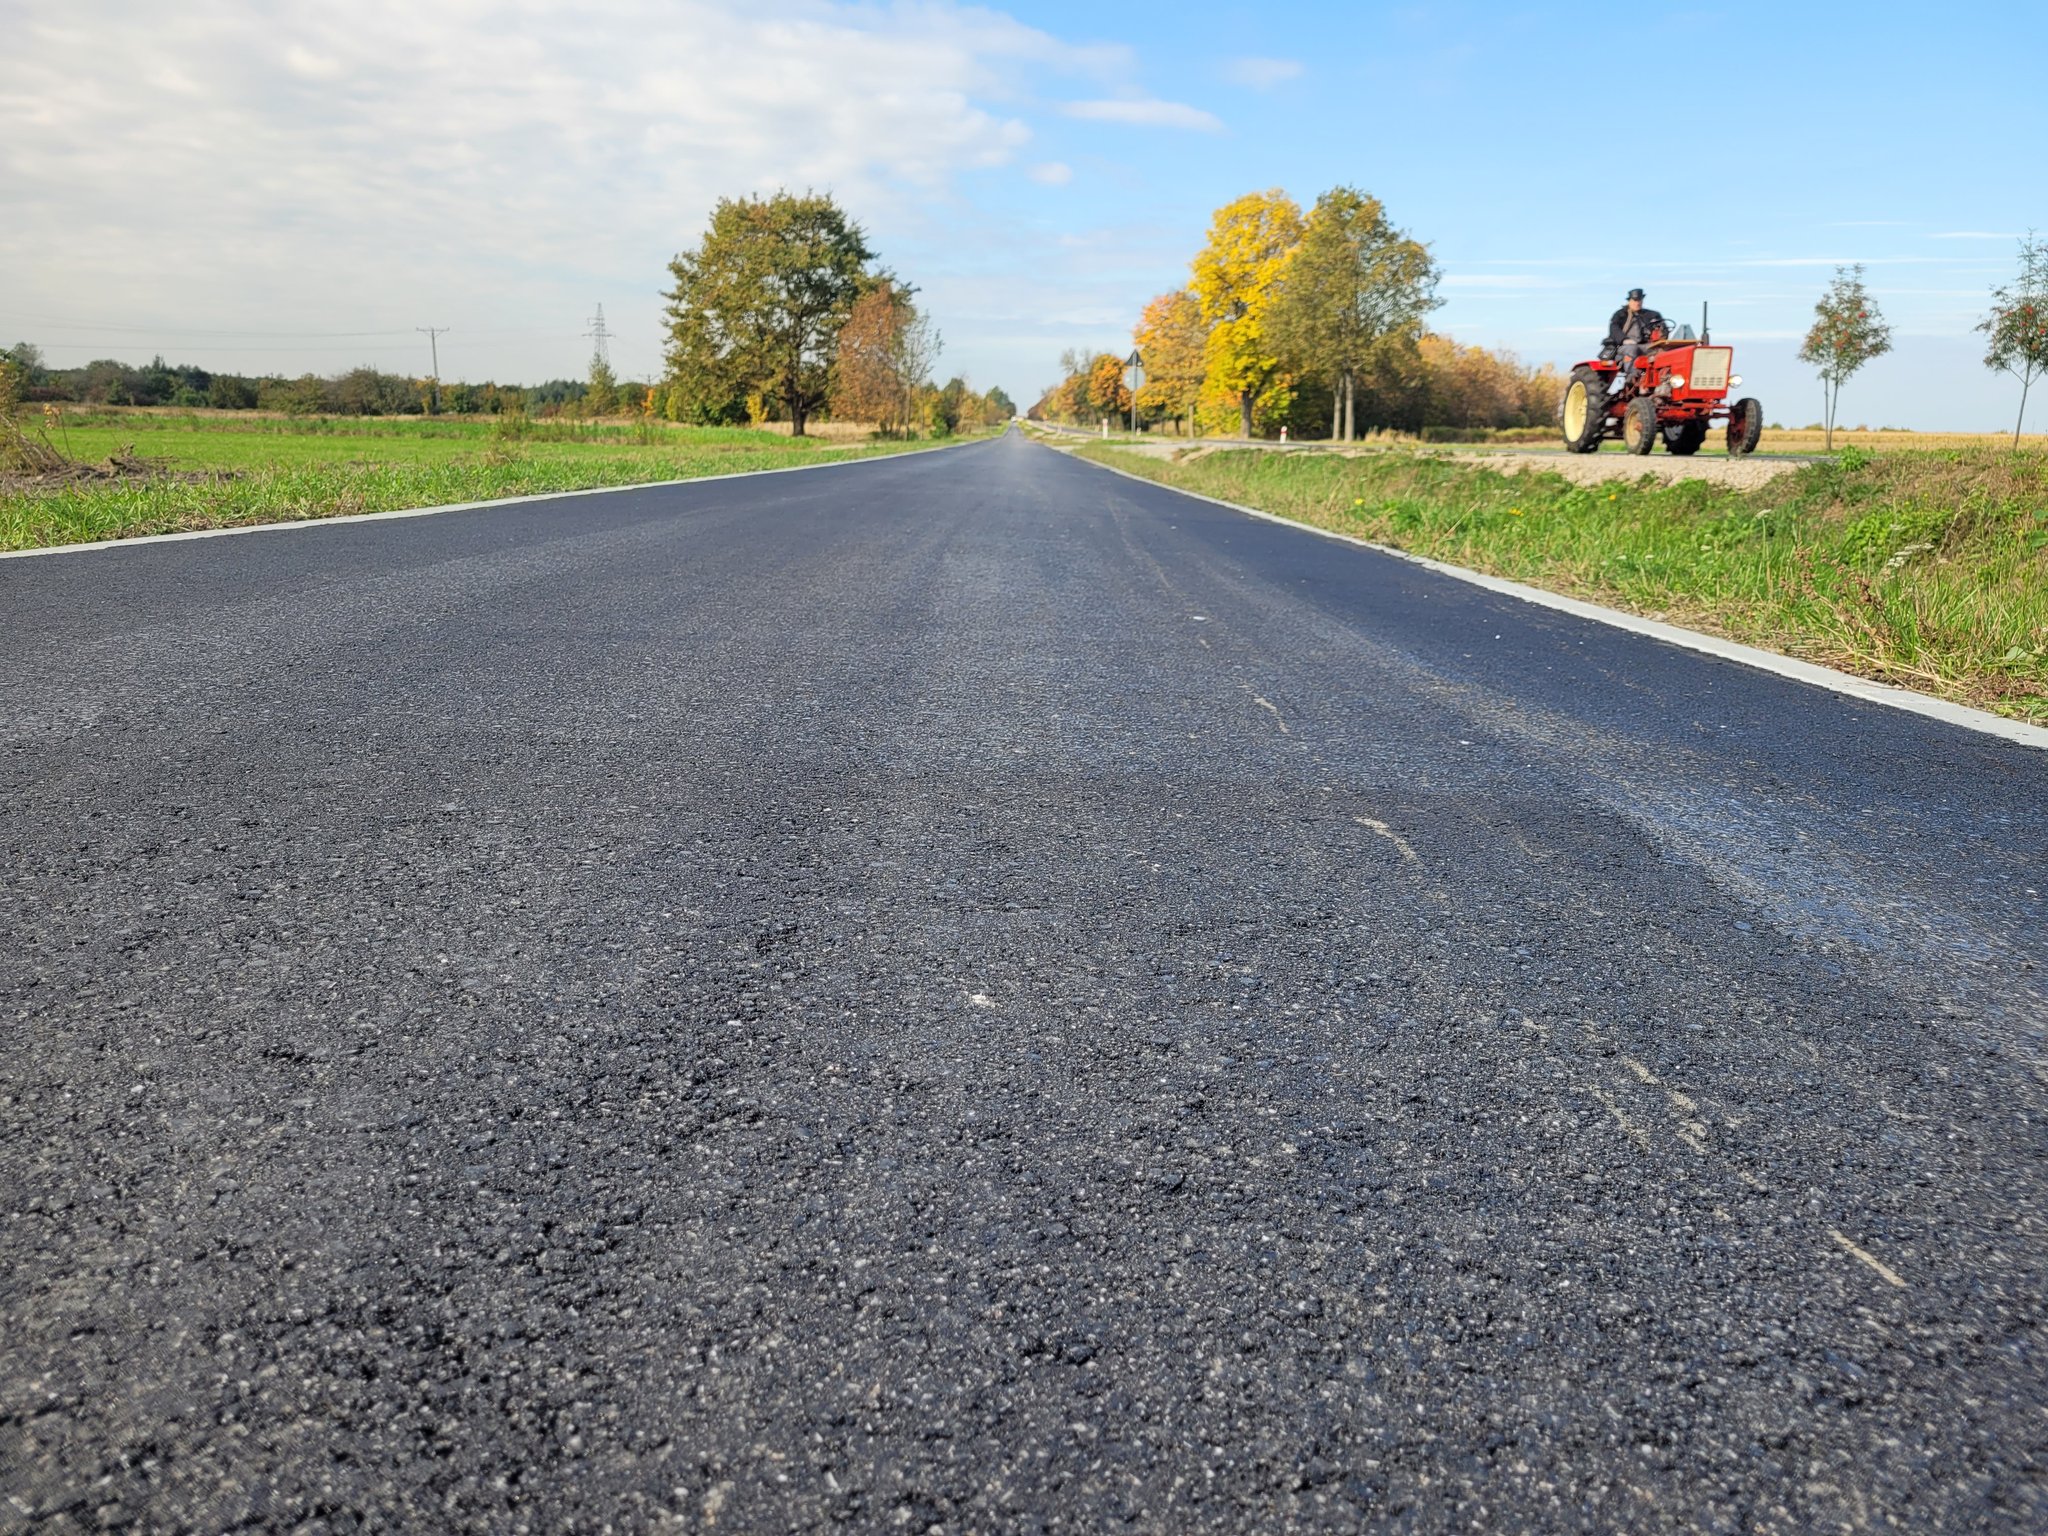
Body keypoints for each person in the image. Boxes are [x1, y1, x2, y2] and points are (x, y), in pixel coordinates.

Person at [1605, 288, 1666, 394]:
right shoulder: (1620, 315)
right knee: (1632, 349)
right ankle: (1632, 378)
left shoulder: (1652, 315)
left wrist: (1661, 334)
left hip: (1647, 346)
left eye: (1639, 300)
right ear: (1629, 301)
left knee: (1663, 352)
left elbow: (1663, 329)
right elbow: (1614, 329)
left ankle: (1663, 380)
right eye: (1635, 300)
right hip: (1625, 346)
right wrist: (1624, 340)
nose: (1637, 303)